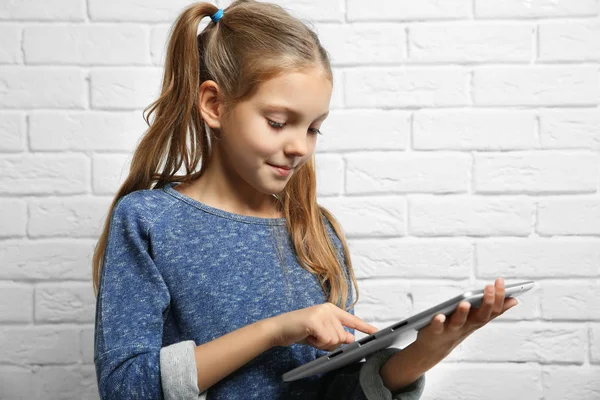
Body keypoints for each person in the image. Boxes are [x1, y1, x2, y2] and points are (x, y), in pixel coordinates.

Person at [91, 1, 519, 399]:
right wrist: (274, 331)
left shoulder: (316, 231)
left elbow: (331, 389)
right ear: (214, 104)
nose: (300, 147)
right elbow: (126, 385)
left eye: (314, 128)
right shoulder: (149, 222)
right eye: (279, 123)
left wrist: (426, 351)